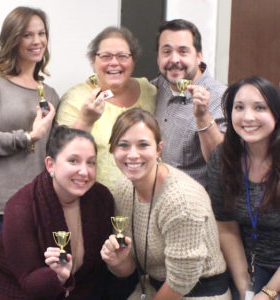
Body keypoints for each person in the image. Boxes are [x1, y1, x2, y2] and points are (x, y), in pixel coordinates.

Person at [101, 108, 230, 300]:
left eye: (143, 145)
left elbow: (182, 281)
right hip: (151, 288)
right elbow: (129, 268)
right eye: (124, 145)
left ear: (159, 149)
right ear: (112, 149)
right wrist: (118, 262)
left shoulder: (181, 199)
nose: (133, 154)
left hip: (198, 293)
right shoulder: (124, 189)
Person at [0, 125, 114, 299]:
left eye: (91, 162)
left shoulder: (102, 199)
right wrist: (57, 275)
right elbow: (28, 282)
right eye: (73, 161)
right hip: (14, 293)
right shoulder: (21, 206)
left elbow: (96, 274)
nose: (84, 171)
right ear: (50, 165)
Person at [0, 6, 59, 266]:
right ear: (12, 39)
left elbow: (54, 156)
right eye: (27, 35)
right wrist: (29, 137)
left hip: (37, 210)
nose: (37, 41)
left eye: (41, 33)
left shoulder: (50, 93)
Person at [56, 26, 156, 192]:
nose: (114, 63)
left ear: (133, 61)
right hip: (94, 202)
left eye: (123, 56)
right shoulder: (76, 98)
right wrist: (86, 120)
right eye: (106, 56)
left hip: (144, 201)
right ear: (93, 61)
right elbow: (62, 155)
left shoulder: (150, 91)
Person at [207, 77, 280, 300]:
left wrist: (267, 294)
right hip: (242, 265)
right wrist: (246, 288)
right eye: (239, 108)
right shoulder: (223, 157)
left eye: (260, 107)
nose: (248, 117)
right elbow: (225, 225)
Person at [152, 19, 225, 186]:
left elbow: (222, 164)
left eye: (183, 51)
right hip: (154, 199)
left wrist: (203, 116)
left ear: (199, 56)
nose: (174, 59)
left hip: (194, 204)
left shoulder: (221, 98)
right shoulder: (154, 88)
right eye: (166, 51)